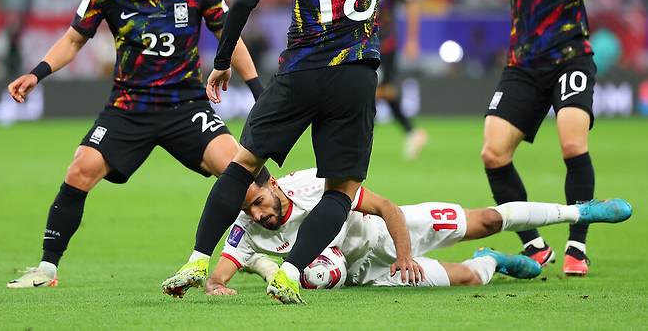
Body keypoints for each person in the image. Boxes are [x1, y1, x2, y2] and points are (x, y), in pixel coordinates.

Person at [198, 0, 455, 304]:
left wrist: (220, 62)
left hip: (300, 71)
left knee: (243, 165)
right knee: (342, 191)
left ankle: (198, 260)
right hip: (356, 75)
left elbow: (244, 1)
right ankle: (292, 273)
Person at [6, 0, 265, 289]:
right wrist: (37, 72)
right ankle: (47, 269)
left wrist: (259, 91)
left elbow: (230, 36)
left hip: (186, 107)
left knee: (243, 178)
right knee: (80, 169)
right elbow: (75, 39)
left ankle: (264, 256)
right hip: (129, 108)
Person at [412, 0, 642, 276]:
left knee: (572, 141)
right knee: (492, 153)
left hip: (571, 56)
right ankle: (534, 244)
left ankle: (577, 245)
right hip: (523, 64)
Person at [200, 167, 631, 295]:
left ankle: (579, 211)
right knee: (465, 276)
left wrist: (405, 255)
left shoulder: (315, 185)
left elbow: (386, 207)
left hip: (387, 233)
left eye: (258, 202)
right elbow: (221, 271)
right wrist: (216, 286)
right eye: (248, 210)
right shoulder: (249, 227)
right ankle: (494, 261)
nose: (257, 215)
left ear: (273, 185)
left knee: (488, 220)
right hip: (364, 273)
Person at [376, 0, 428, 159]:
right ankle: (412, 132)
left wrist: (413, 40)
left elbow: (412, 3)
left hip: (385, 46)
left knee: (380, 90)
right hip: (363, 45)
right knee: (384, 91)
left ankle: (411, 131)